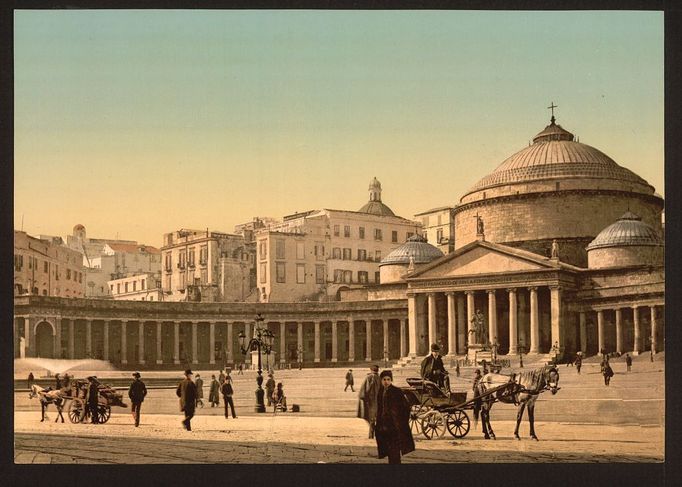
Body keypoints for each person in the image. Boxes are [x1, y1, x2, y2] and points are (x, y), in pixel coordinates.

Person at [374, 370, 415, 464]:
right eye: (384, 379)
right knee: (387, 449)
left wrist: (401, 421)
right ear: (381, 380)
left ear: (391, 380)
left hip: (394, 425)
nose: (386, 382)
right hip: (383, 425)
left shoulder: (397, 391)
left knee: (394, 450)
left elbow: (406, 407)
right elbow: (379, 408)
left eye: (388, 379)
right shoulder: (380, 392)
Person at [357, 365, 380, 439]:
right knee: (376, 418)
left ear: (371, 370)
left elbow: (364, 390)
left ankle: (371, 435)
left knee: (371, 418)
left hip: (371, 400)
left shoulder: (369, 377)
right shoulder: (380, 378)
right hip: (378, 400)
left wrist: (362, 397)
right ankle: (375, 434)